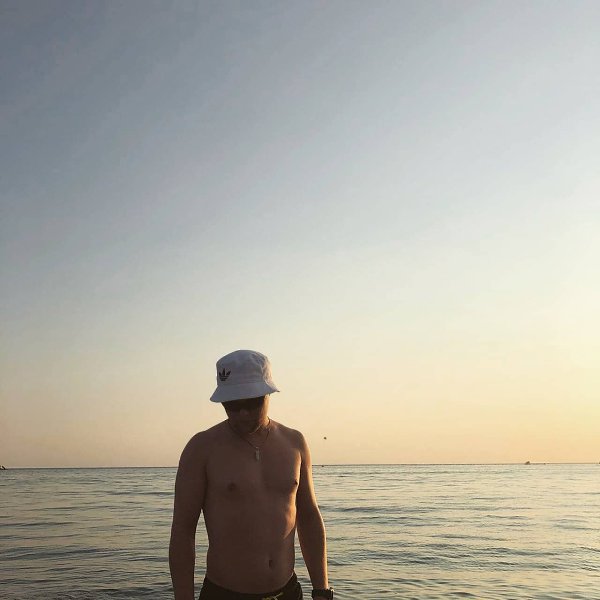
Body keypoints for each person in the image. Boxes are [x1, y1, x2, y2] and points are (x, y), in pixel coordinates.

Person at [169, 349, 333, 600]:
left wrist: (322, 590)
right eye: (232, 405)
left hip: (288, 592)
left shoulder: (294, 443)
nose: (242, 413)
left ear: (268, 393)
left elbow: (309, 517)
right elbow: (183, 529)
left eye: (251, 403)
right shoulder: (202, 448)